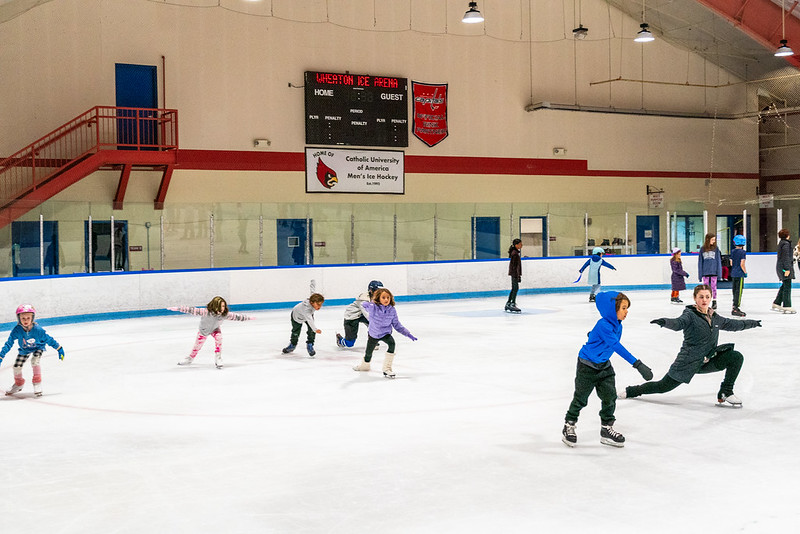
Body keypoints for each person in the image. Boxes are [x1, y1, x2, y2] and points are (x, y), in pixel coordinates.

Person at [620, 284, 761, 407]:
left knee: (735, 357)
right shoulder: (690, 316)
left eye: (707, 297)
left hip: (708, 360)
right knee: (662, 386)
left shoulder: (715, 317)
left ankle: (726, 391)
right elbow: (678, 323)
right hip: (688, 362)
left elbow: (733, 324)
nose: (704, 300)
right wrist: (664, 322)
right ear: (695, 298)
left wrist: (752, 323)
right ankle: (632, 390)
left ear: (711, 297)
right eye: (701, 297)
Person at [561, 292, 652, 448]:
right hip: (587, 366)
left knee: (610, 398)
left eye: (627, 308)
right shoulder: (603, 324)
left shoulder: (618, 325)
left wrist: (593, 336)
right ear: (612, 309)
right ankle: (569, 424)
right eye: (623, 308)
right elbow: (615, 345)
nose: (626, 311)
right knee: (581, 399)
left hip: (604, 366)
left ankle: (606, 429)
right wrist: (637, 364)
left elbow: (608, 340)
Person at [169, 296, 254, 368]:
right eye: (220, 306)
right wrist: (178, 308)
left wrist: (249, 318)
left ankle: (218, 357)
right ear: (214, 306)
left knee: (219, 338)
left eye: (223, 306)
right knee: (197, 346)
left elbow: (237, 317)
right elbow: (191, 310)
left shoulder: (224, 314)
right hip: (203, 331)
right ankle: (190, 358)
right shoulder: (205, 312)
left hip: (215, 329)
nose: (222, 308)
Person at [0, 304, 65, 397]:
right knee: (16, 367)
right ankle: (19, 384)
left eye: (28, 318)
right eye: (23, 318)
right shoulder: (17, 330)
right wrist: (1, 355)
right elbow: (9, 343)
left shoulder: (38, 330)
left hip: (38, 347)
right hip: (25, 349)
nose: (25, 320)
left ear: (32, 318)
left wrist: (59, 348)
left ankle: (37, 383)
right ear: (19, 319)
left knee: (35, 361)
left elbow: (49, 339)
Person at [352, 287, 417, 378]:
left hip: (385, 333)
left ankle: (387, 368)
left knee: (392, 344)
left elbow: (397, 324)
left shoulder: (392, 310)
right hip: (373, 334)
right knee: (368, 353)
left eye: (388, 297)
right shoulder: (373, 308)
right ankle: (364, 366)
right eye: (383, 297)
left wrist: (408, 334)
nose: (386, 299)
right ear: (378, 298)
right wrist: (370, 304)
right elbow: (363, 304)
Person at [336, 280, 383, 348]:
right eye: (377, 291)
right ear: (371, 290)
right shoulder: (363, 299)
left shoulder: (377, 298)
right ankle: (339, 339)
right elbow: (366, 313)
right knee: (349, 343)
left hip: (362, 315)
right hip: (352, 316)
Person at [772, 228, 795, 314]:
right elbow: (786, 258)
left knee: (785, 285)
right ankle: (787, 305)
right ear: (787, 236)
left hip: (782, 267)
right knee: (787, 286)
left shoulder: (782, 243)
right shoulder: (785, 244)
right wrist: (787, 269)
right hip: (784, 268)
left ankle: (777, 302)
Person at [698, 233, 722, 310]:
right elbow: (700, 262)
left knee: (713, 287)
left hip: (714, 272)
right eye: (712, 239)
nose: (714, 241)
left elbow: (718, 261)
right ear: (708, 239)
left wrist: (719, 273)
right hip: (705, 272)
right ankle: (705, 302)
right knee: (705, 288)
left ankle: (714, 301)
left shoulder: (716, 249)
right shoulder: (702, 249)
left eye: (714, 240)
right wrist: (700, 274)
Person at [730, 234, 748, 316]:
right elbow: (742, 264)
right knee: (739, 291)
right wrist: (745, 272)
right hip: (740, 274)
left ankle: (734, 305)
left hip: (733, 273)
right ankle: (736, 308)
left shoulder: (733, 251)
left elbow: (731, 263)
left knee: (734, 290)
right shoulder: (743, 252)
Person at [505, 238, 522, 313]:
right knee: (515, 288)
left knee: (514, 288)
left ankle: (509, 302)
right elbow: (515, 266)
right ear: (516, 245)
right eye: (520, 244)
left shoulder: (514, 252)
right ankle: (512, 303)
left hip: (514, 273)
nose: (522, 245)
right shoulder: (515, 254)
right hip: (514, 273)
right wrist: (517, 276)